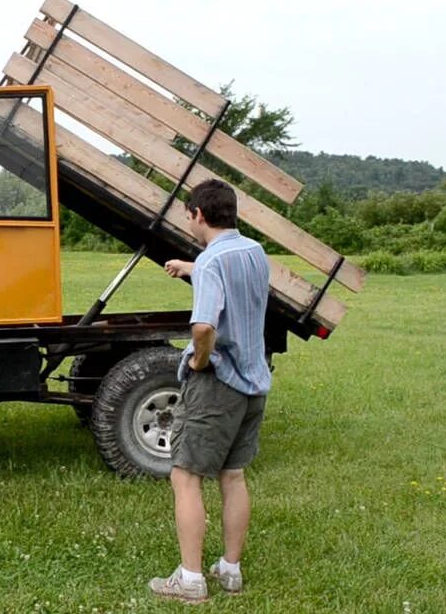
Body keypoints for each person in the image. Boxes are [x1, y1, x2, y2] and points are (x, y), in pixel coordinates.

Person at [150, 179, 271, 603]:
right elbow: (233, 281)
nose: (189, 222)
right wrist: (191, 266)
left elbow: (203, 326)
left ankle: (191, 579)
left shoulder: (211, 263)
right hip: (255, 382)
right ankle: (230, 571)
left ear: (199, 214)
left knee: (185, 476)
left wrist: (200, 360)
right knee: (232, 475)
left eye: (189, 216)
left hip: (218, 384)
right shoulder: (254, 252)